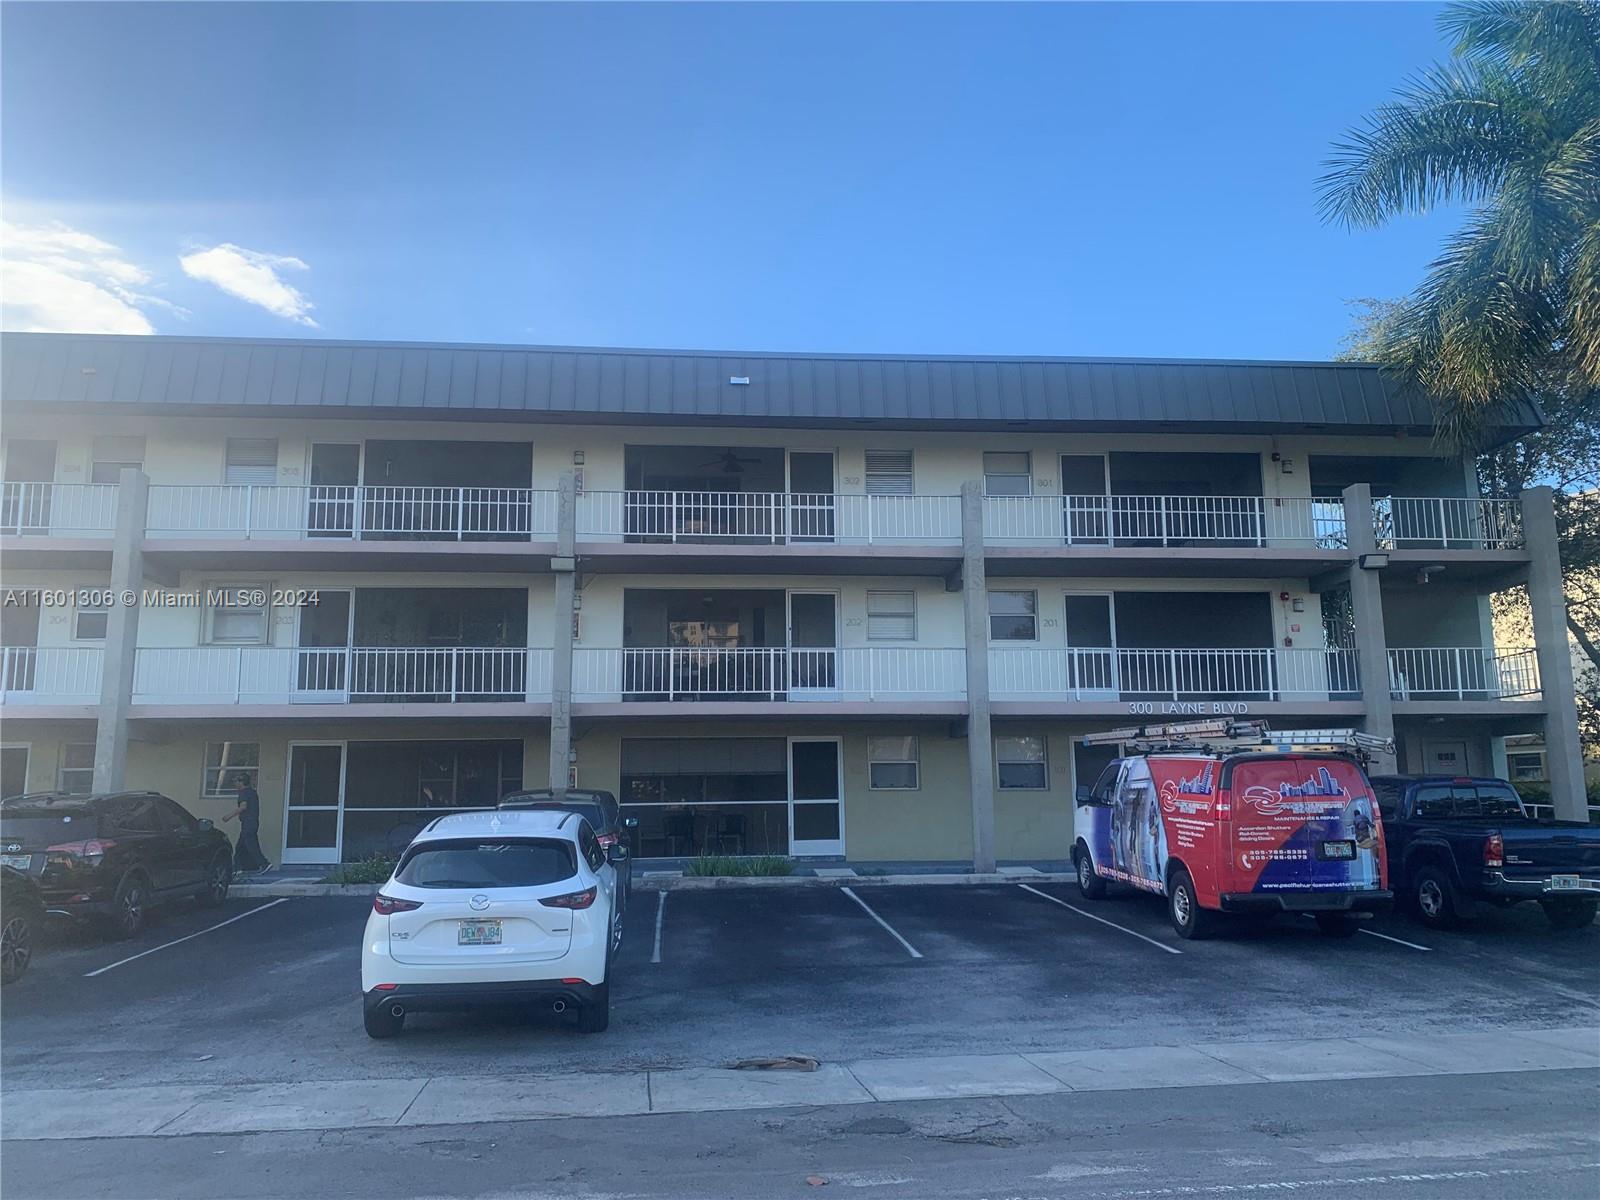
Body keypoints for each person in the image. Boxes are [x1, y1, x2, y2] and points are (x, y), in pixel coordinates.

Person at [221, 773, 271, 875]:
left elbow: (243, 807)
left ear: (241, 782)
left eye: (236, 782)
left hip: (248, 823)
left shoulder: (244, 792)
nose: (235, 784)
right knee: (240, 847)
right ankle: (238, 869)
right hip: (251, 823)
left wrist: (228, 816)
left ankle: (264, 864)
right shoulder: (252, 792)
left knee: (251, 846)